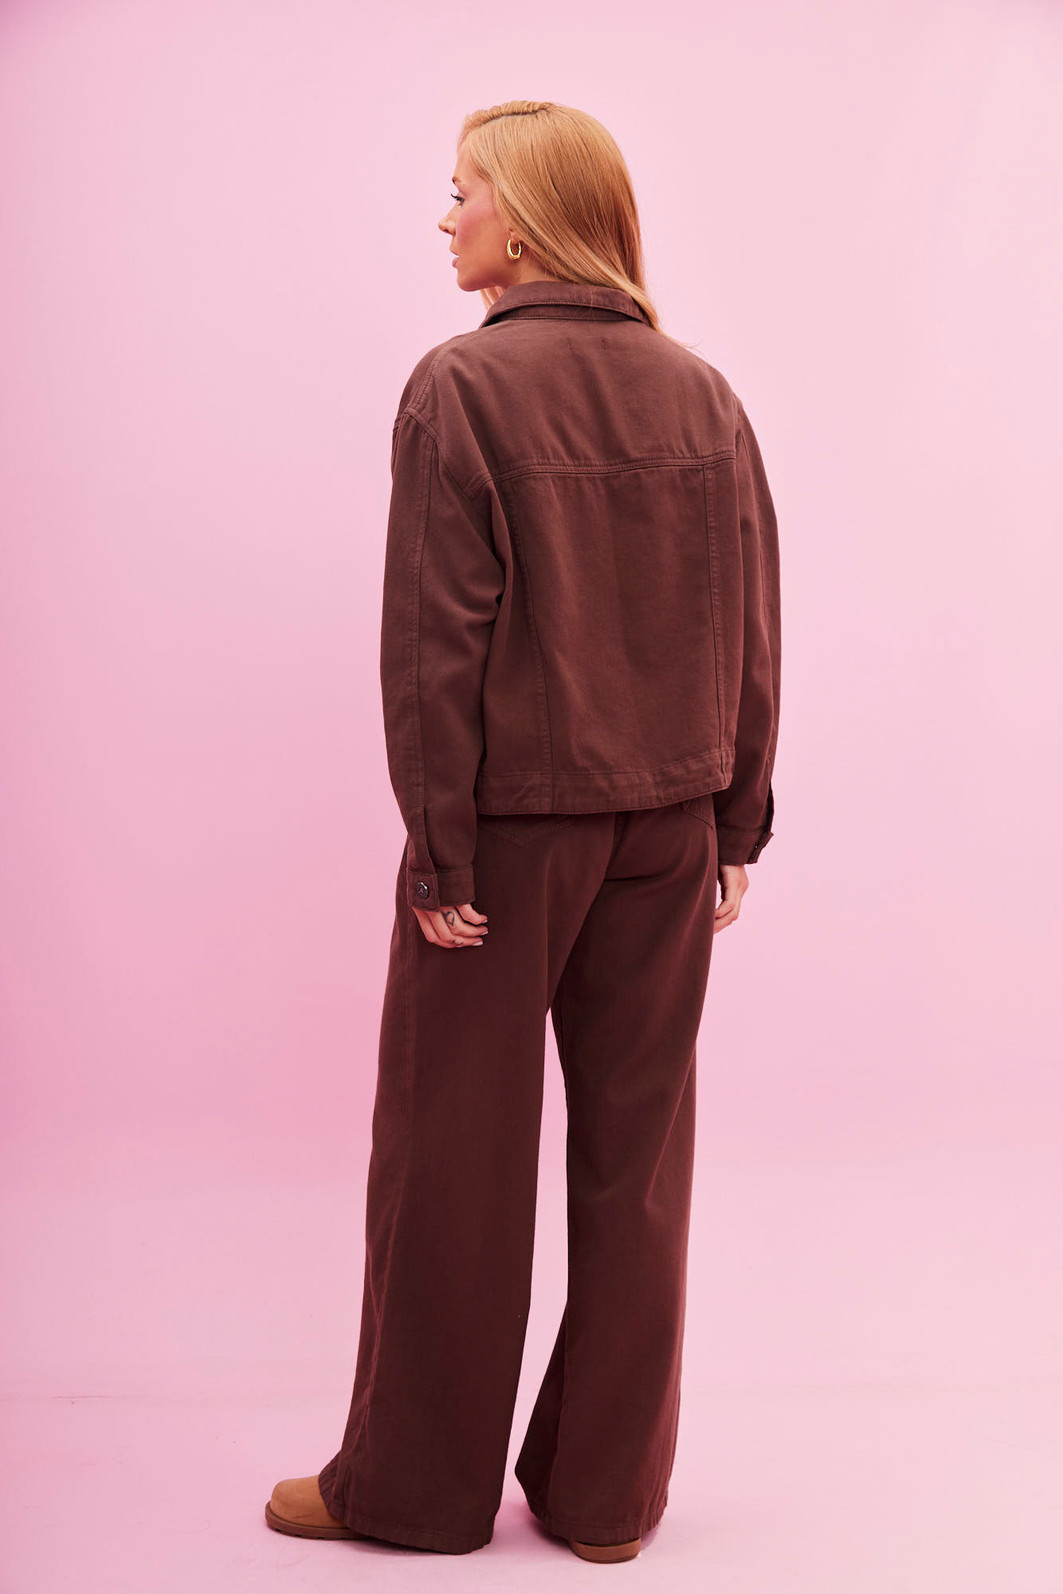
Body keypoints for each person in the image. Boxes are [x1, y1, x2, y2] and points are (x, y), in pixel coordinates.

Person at [265, 99, 781, 1563]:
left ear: (534, 217)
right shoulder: (704, 393)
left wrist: (439, 852)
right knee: (640, 1161)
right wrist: (738, 817)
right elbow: (753, 620)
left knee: (455, 1159)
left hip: (509, 841)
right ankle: (608, 1500)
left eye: (466, 193)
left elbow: (436, 644)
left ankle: (416, 1492)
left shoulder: (462, 388)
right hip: (668, 827)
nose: (449, 219)